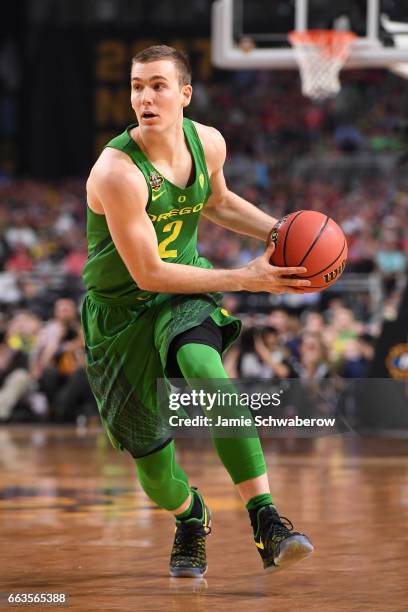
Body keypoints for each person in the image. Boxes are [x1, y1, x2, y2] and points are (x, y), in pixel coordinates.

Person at [82, 45, 313, 578]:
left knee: (207, 369)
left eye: (158, 85)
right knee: (157, 475)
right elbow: (148, 275)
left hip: (183, 291)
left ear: (185, 93)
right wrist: (249, 279)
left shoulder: (207, 142)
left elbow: (218, 202)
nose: (144, 96)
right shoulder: (117, 172)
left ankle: (266, 519)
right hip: (121, 315)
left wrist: (282, 233)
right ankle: (192, 516)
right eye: (137, 86)